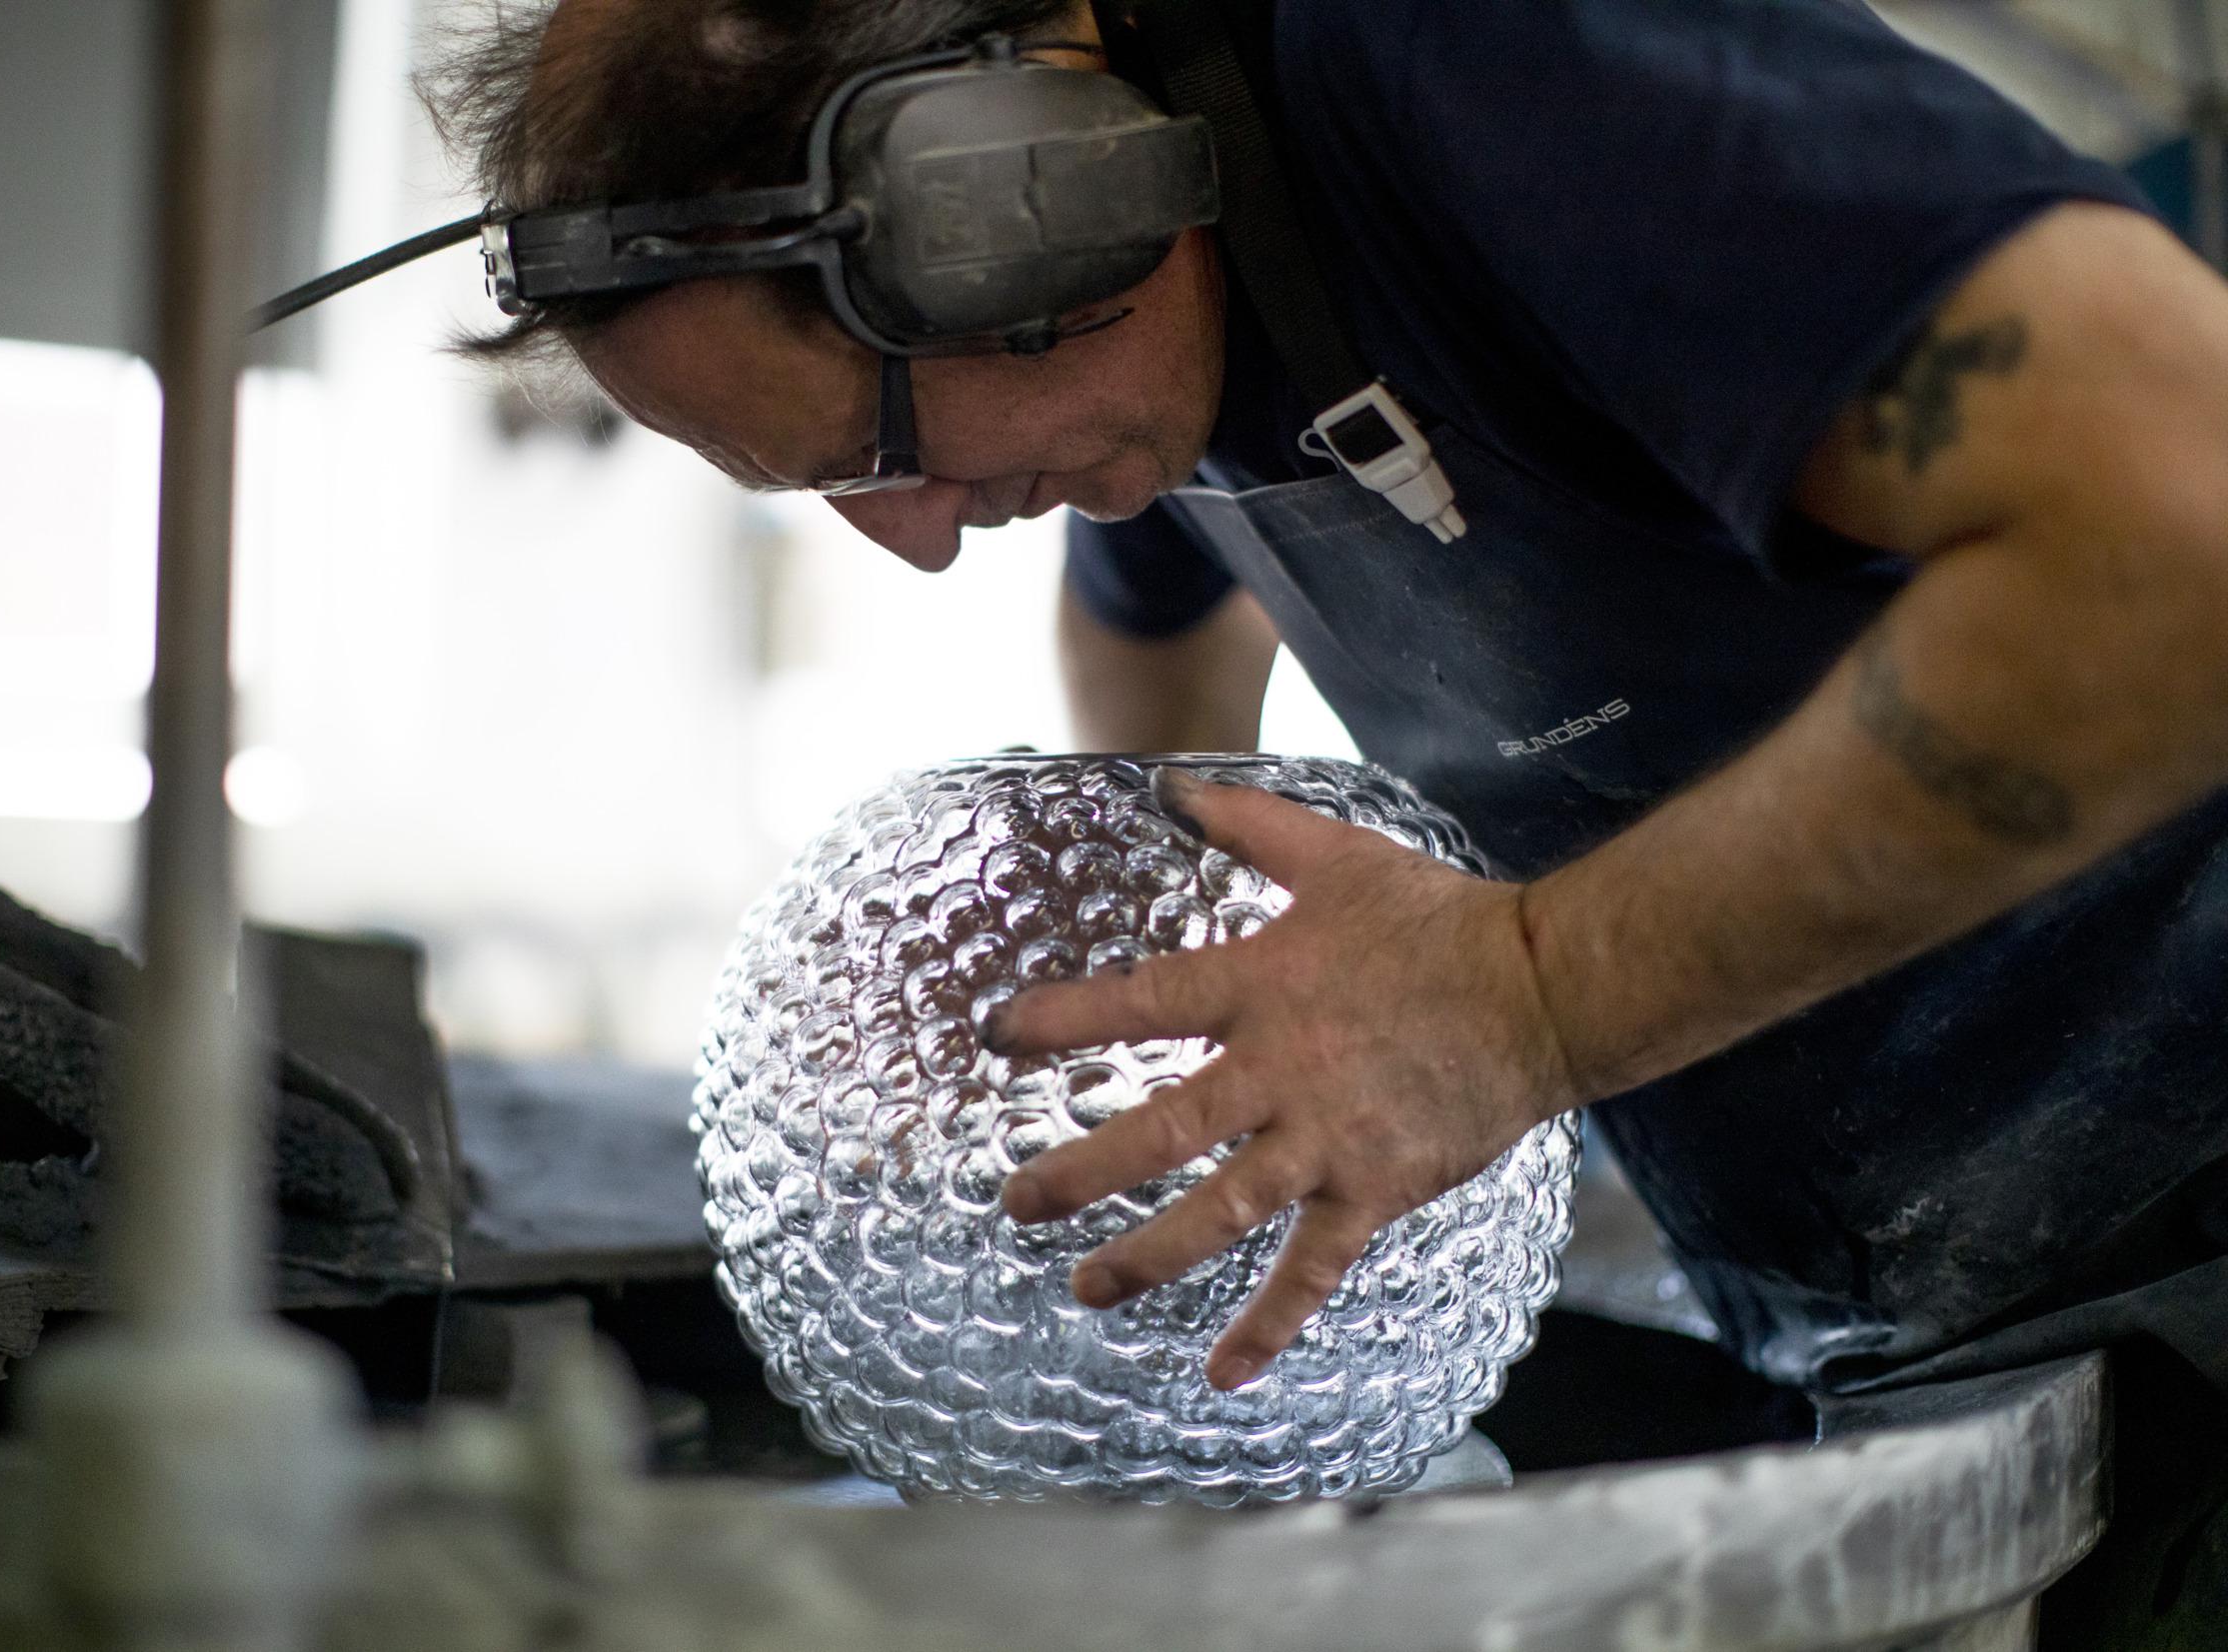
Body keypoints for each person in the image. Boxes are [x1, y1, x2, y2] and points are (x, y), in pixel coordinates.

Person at [428, 0, 2228, 1634]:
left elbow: (2182, 536)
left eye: (880, 448)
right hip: (1922, 1312)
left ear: (1027, 185)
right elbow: (1153, 637)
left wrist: (1515, 1000)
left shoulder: (1496, 68)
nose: (909, 536)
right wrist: (1126, 953)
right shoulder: (1157, 337)